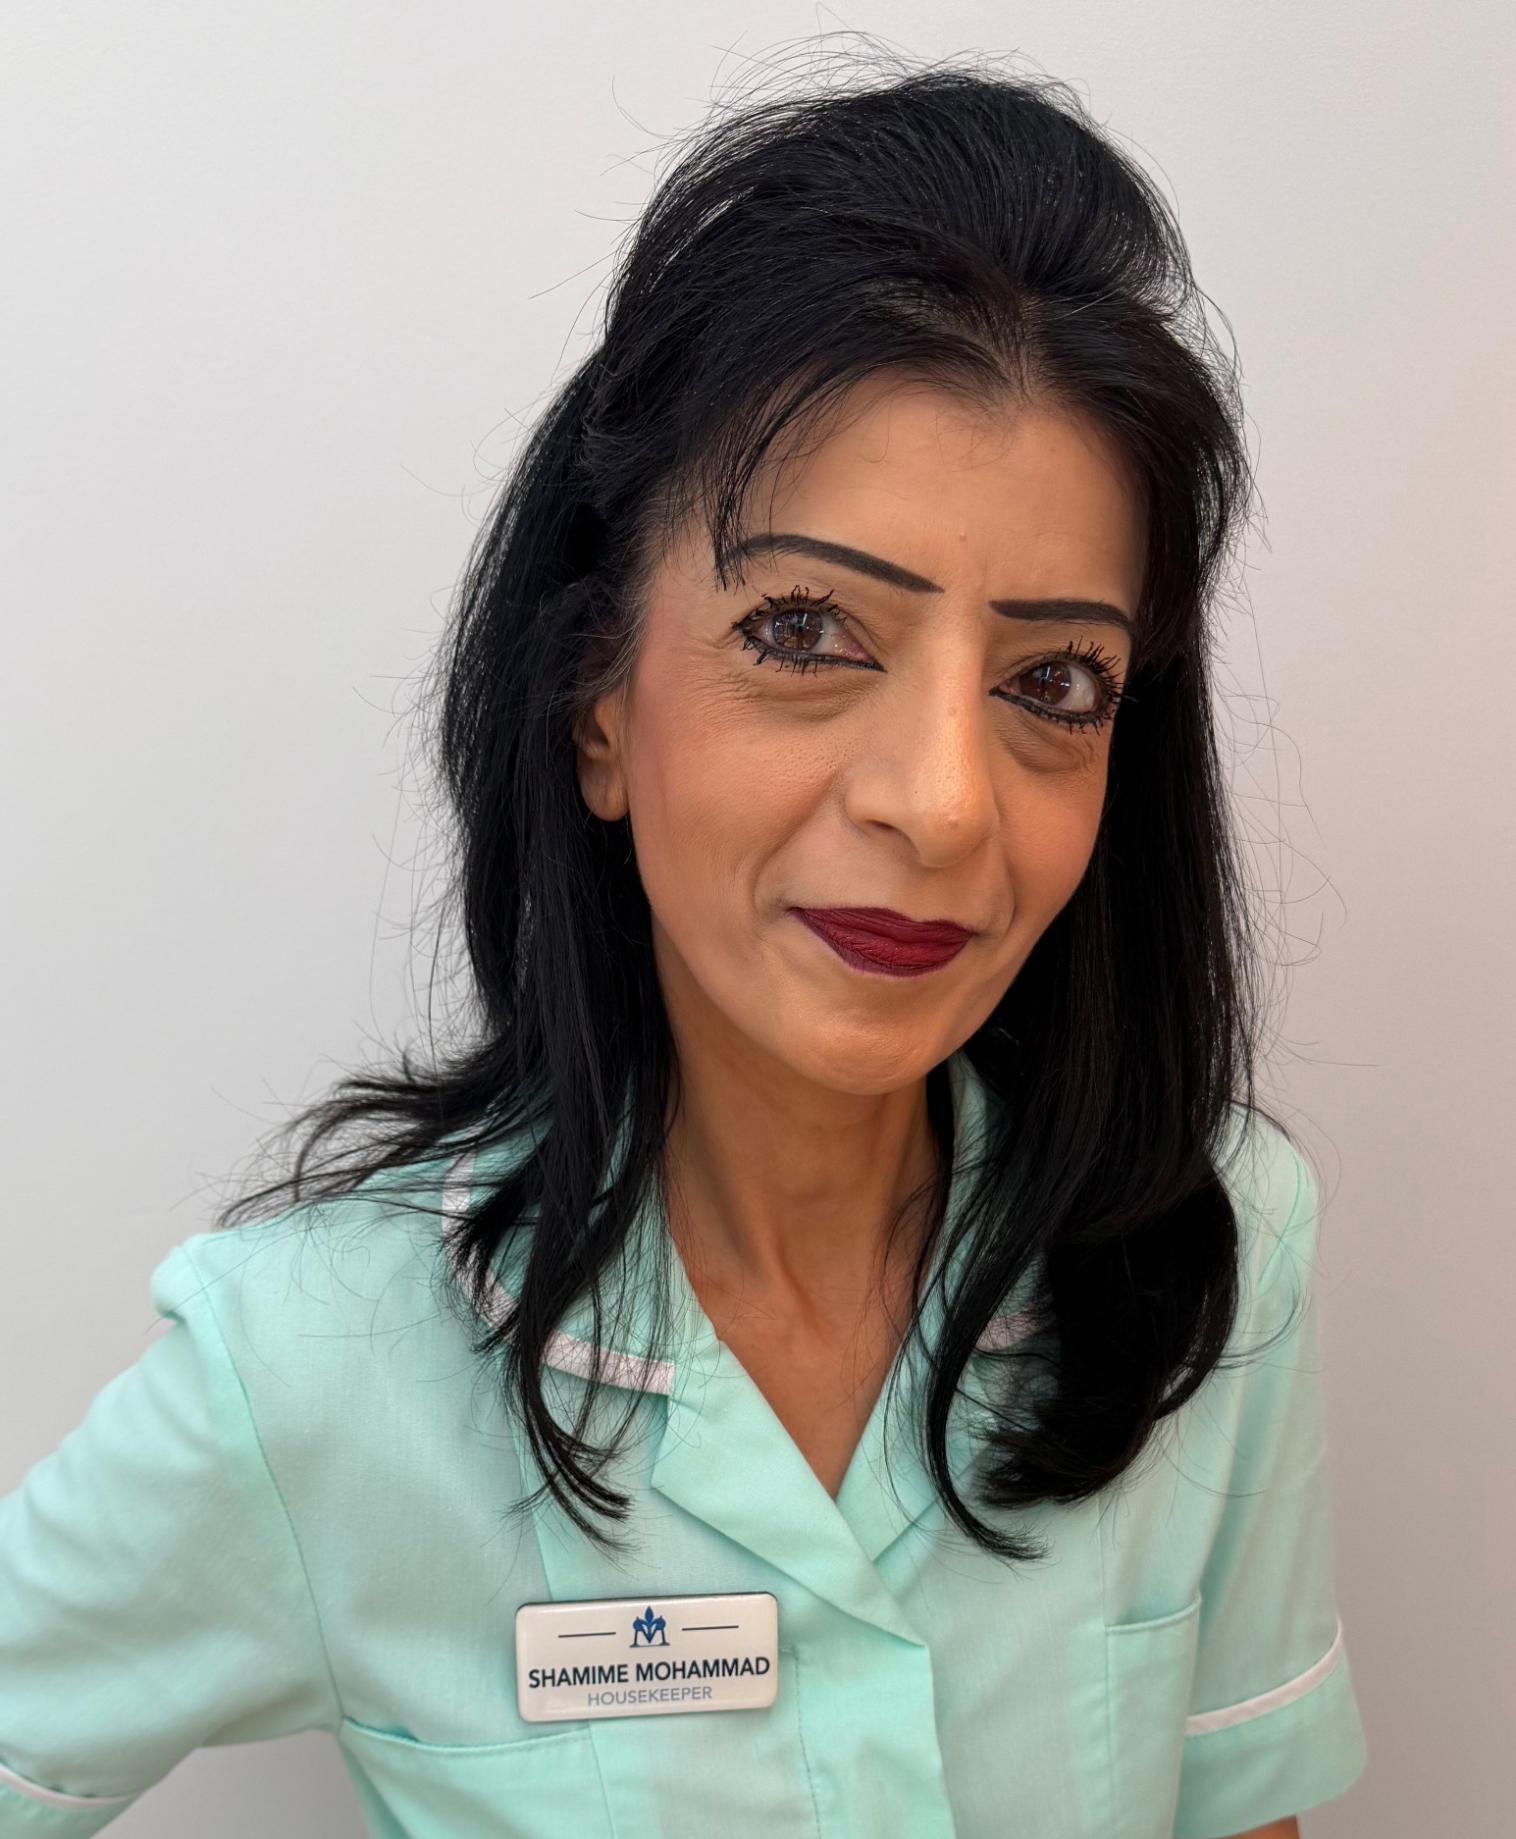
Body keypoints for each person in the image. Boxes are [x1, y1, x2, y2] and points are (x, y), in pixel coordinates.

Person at [0, 51, 1368, 1839]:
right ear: (596, 703)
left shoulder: (1210, 1249)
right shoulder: (316, 1366)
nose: (945, 804)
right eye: (803, 631)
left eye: (1054, 682)